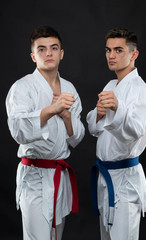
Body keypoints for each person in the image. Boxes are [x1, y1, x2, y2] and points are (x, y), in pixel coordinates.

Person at [6, 25, 85, 240]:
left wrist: (67, 117)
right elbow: (18, 130)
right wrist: (52, 109)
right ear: (33, 56)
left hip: (60, 175)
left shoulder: (69, 88)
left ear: (61, 53)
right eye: (41, 49)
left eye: (53, 48)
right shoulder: (22, 88)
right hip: (35, 177)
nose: (48, 53)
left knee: (55, 236)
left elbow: (77, 138)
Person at [87, 28, 146, 240]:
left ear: (134, 54)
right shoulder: (112, 85)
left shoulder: (139, 88)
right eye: (108, 50)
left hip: (125, 179)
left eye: (118, 50)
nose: (111, 55)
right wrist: (99, 113)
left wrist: (118, 107)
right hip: (106, 177)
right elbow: (95, 129)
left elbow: (135, 131)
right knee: (106, 236)